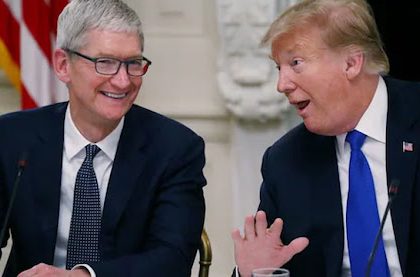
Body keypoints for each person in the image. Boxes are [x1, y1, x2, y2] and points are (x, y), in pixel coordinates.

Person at [0, 0, 206, 276]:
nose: (123, 81)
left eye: (133, 63)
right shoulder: (12, 137)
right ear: (63, 65)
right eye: (105, 63)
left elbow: (172, 258)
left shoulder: (175, 148)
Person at [232, 0, 420, 276]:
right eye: (278, 68)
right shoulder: (286, 161)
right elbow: (271, 263)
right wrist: (249, 272)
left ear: (352, 63)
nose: (282, 85)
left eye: (296, 63)